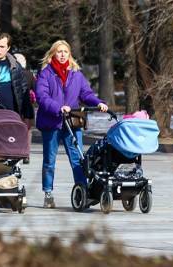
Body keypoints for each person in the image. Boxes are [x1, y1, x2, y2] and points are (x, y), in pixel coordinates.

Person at [35, 40, 108, 208]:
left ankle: (83, 191)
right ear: (53, 54)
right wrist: (58, 107)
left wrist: (98, 103)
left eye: (65, 52)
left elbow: (86, 93)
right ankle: (48, 193)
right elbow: (42, 96)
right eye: (59, 52)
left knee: (78, 159)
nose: (62, 55)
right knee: (49, 160)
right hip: (51, 122)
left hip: (72, 122)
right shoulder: (46, 74)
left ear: (69, 54)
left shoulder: (76, 75)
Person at [13, 53, 36, 164]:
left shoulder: (10, 73)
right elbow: (37, 89)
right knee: (27, 131)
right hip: (27, 107)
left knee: (14, 130)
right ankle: (26, 154)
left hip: (14, 108)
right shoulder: (29, 75)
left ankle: (15, 152)